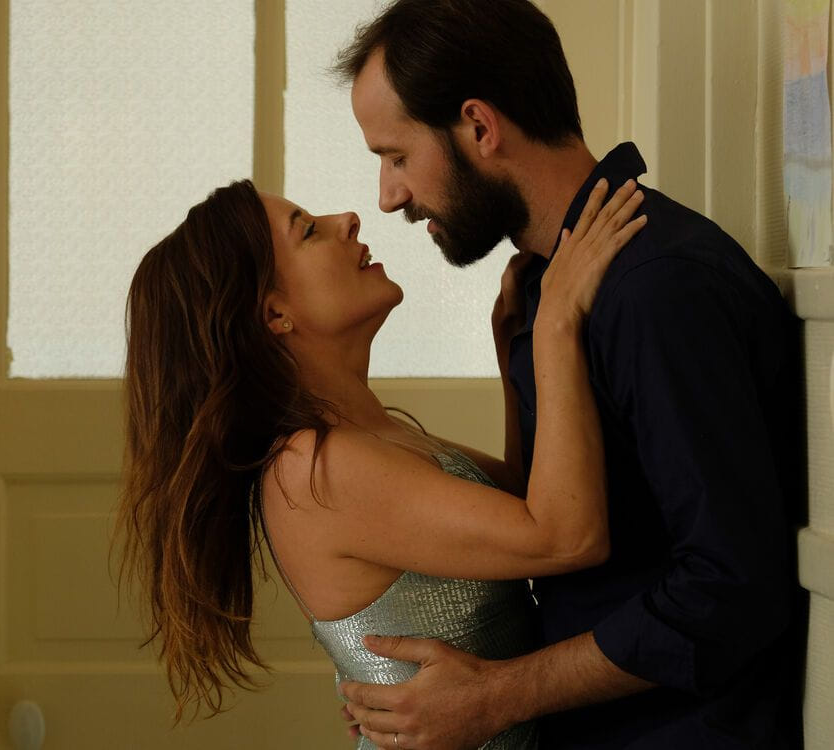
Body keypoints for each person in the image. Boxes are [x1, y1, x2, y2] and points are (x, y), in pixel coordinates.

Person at [331, 1, 802, 748]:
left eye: (395, 157)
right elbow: (559, 515)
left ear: (479, 127)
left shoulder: (655, 290)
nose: (388, 197)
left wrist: (497, 696)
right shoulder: (545, 290)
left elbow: (730, 588)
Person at [118, 174, 645, 750]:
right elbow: (568, 537)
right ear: (274, 315)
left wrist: (510, 346)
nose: (348, 218)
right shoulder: (316, 468)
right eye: (308, 231)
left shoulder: (366, 436)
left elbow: (525, 502)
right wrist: (557, 326)